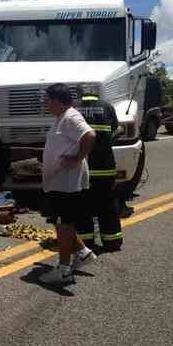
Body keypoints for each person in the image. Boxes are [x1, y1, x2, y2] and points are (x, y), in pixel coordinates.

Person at [38, 83, 97, 285]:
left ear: (56, 100)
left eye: (47, 100)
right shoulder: (61, 118)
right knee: (61, 222)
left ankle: (63, 271)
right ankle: (83, 252)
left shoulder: (71, 117)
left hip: (67, 183)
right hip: (58, 181)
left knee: (64, 224)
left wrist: (77, 159)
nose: (45, 104)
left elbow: (89, 135)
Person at [75, 90, 123, 252]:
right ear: (97, 94)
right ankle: (112, 241)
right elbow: (115, 130)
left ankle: (86, 242)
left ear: (80, 93)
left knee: (83, 207)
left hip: (83, 168)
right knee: (107, 205)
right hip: (105, 168)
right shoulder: (107, 107)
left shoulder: (74, 108)